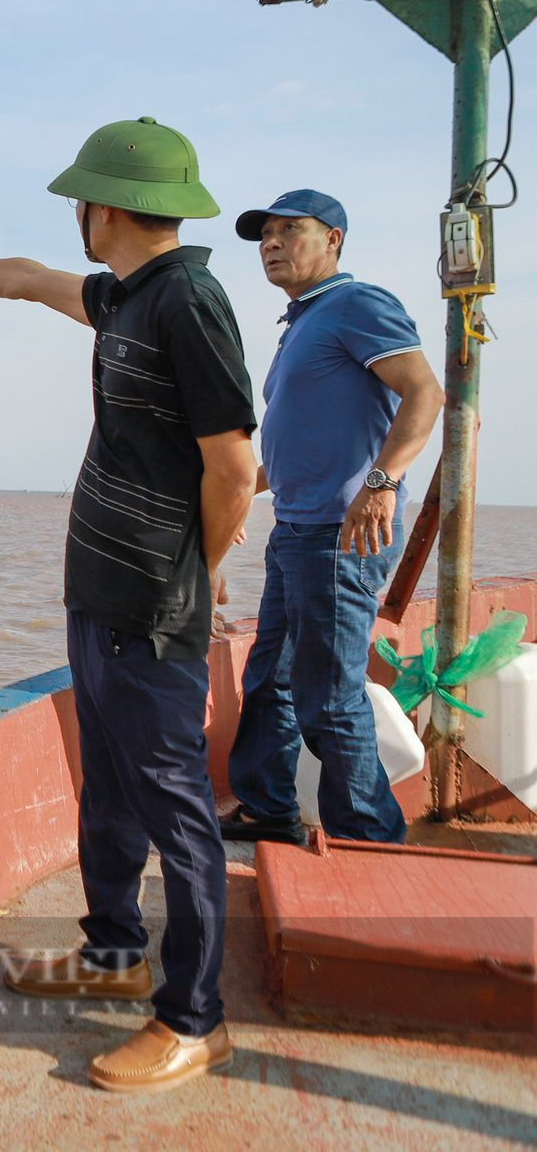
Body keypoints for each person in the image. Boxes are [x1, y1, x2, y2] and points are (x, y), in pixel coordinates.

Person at [0, 116, 257, 1094]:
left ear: (106, 205)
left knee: (174, 814)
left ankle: (193, 1020)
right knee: (103, 786)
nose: (74, 224)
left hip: (149, 606)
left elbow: (233, 466)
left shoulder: (189, 302)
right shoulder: (126, 296)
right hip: (97, 598)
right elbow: (29, 278)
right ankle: (108, 953)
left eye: (79, 205)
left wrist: (194, 567)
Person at [219, 190, 441, 846]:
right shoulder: (300, 326)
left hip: (342, 534)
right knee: (270, 677)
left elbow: (425, 392)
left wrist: (382, 481)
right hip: (296, 532)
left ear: (334, 239)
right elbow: (296, 450)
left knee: (330, 694)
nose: (272, 243)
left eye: (291, 230)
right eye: (265, 235)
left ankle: (369, 840)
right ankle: (266, 806)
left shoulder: (357, 304)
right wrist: (232, 496)